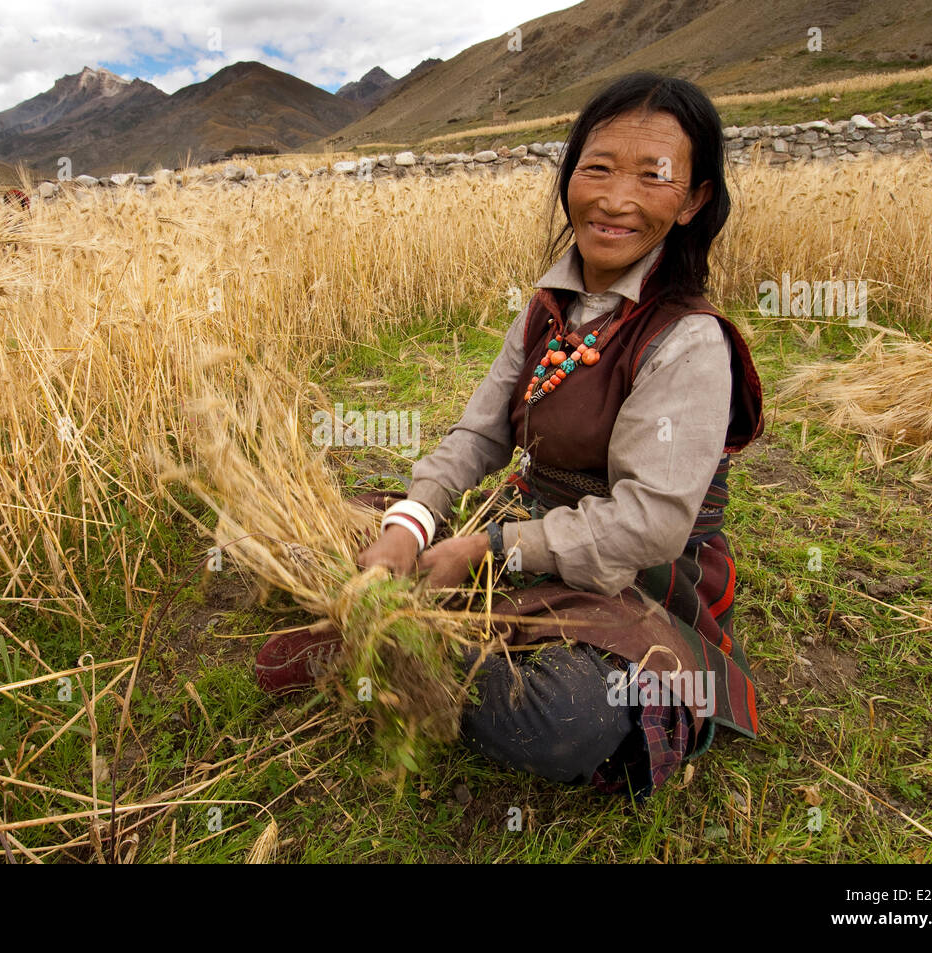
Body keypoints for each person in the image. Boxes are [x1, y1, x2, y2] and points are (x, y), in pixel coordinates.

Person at [255, 72, 765, 798]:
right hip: (516, 528)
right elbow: (477, 436)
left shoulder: (689, 341)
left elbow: (649, 526)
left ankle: (391, 637)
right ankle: (403, 620)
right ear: (569, 178)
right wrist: (413, 519)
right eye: (597, 168)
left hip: (630, 575)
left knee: (564, 717)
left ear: (693, 201)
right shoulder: (547, 311)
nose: (615, 199)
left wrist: (489, 548)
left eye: (653, 177)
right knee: (333, 526)